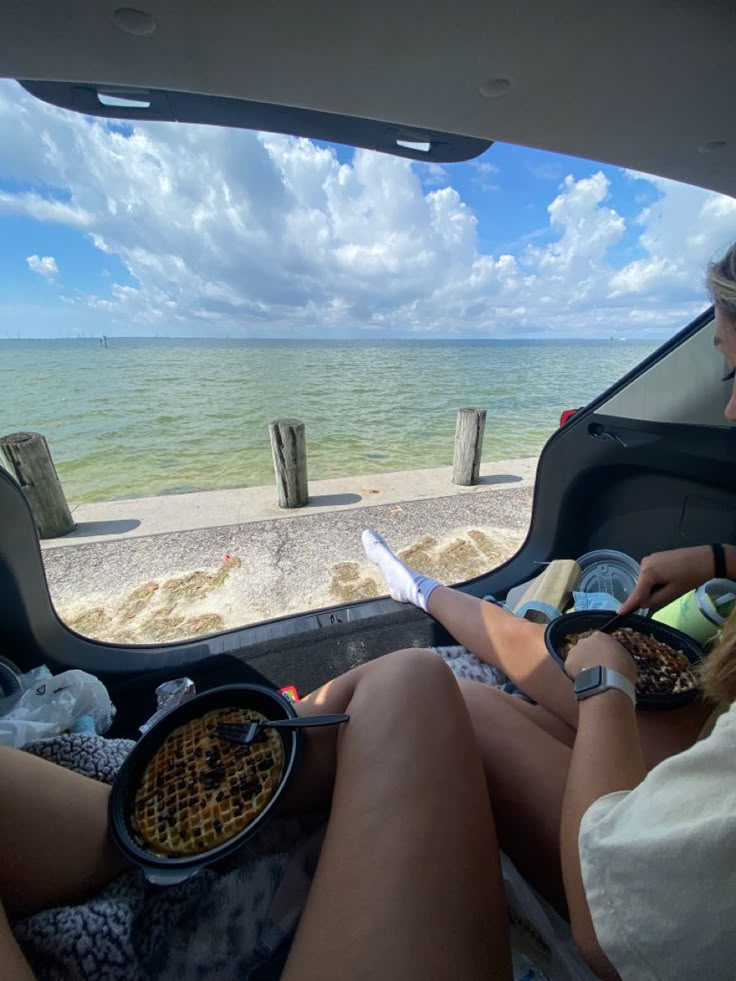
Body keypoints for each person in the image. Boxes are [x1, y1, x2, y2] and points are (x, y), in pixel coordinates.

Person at [360, 240, 736, 978]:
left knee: (456, 697)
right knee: (530, 686)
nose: (730, 405)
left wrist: (606, 691)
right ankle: (423, 590)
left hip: (631, 891)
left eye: (734, 364)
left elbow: (612, 922)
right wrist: (719, 558)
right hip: (706, 737)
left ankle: (413, 596)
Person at [1, 650, 516, 981]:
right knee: (413, 677)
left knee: (421, 689)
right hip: (133, 947)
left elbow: (116, 822)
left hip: (114, 826)